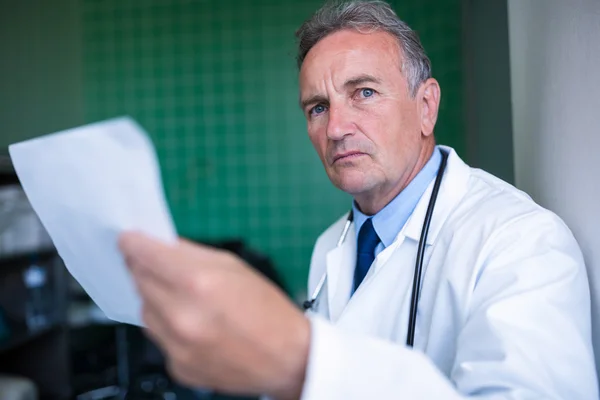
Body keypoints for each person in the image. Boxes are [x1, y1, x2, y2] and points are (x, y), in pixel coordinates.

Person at [118, 1, 599, 399]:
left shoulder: (521, 242)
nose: (336, 128)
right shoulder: (333, 244)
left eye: (364, 92)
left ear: (426, 106)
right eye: (318, 107)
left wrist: (300, 360)